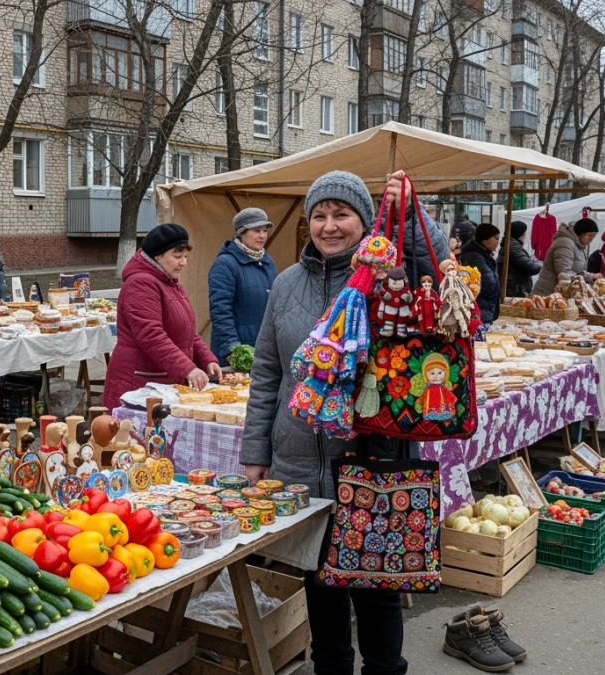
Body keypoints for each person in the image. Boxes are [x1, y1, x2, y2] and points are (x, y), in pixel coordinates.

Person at [241, 169, 447, 675]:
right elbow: (267, 372)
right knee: (319, 585)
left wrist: (406, 216)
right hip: (299, 461)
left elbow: (441, 270)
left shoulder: (393, 277)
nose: (329, 226)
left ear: (365, 220)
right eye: (319, 215)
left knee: (377, 587)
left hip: (373, 458)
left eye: (342, 214)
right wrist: (255, 453)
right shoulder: (285, 284)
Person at [103, 223, 220, 409]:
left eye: (186, 257)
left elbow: (185, 331)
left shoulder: (170, 282)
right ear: (157, 256)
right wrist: (187, 368)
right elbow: (151, 335)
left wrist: (206, 359)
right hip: (139, 382)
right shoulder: (140, 283)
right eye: (177, 256)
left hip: (163, 380)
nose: (184, 262)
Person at [208, 207, 278, 366]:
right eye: (256, 231)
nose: (262, 235)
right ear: (242, 233)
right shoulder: (225, 264)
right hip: (238, 355)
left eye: (265, 230)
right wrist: (234, 352)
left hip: (264, 350)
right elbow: (220, 312)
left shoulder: (268, 262)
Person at [531, 218, 597, 296]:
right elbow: (564, 272)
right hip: (548, 292)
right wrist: (589, 277)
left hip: (561, 293)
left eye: (594, 236)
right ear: (580, 233)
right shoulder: (565, 244)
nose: (591, 239)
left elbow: (578, 270)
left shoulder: (579, 245)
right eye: (590, 236)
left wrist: (589, 276)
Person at [459, 223, 502, 324]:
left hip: (485, 308)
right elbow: (489, 284)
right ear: (485, 240)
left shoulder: (483, 254)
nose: (498, 242)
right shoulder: (475, 257)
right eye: (496, 238)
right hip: (480, 309)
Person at [498, 220, 542, 298]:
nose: (525, 235)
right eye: (524, 233)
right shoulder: (512, 247)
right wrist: (543, 264)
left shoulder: (511, 245)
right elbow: (531, 267)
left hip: (514, 288)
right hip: (514, 290)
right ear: (518, 234)